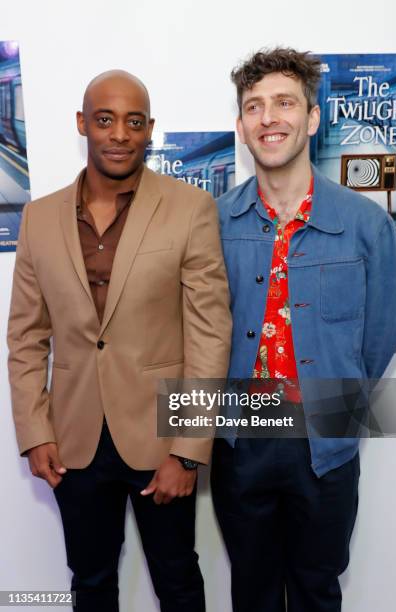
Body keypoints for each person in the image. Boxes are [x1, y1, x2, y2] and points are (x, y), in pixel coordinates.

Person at [7, 69, 231, 612]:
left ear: (149, 129)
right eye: (105, 120)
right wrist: (35, 432)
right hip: (74, 441)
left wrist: (187, 447)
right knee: (90, 581)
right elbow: (26, 335)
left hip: (161, 436)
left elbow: (209, 331)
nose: (119, 134)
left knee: (177, 580)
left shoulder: (189, 209)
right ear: (83, 123)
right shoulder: (38, 219)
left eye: (134, 122)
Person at [211, 47, 396, 612]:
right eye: (254, 106)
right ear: (242, 126)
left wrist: (337, 400)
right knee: (251, 589)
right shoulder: (213, 223)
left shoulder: (365, 223)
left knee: (318, 591)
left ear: (312, 118)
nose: (269, 117)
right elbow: (195, 330)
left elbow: (387, 330)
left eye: (283, 103)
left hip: (327, 441)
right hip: (240, 438)